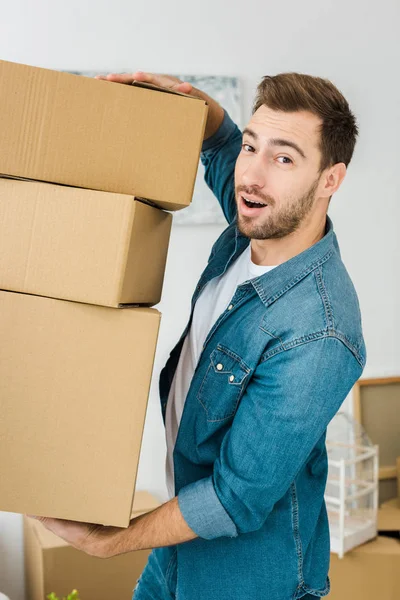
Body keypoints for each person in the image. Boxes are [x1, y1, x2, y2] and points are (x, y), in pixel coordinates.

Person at [33, 70, 366, 600]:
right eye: (253, 147)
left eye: (283, 158)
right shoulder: (253, 224)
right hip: (178, 553)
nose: (252, 175)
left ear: (331, 178)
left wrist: (109, 543)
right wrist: (192, 103)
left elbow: (235, 499)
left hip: (248, 581)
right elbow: (221, 146)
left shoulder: (318, 333)